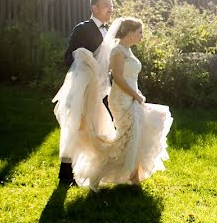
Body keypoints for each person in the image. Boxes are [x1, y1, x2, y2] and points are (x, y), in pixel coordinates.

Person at [53, 16, 172, 191]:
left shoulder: (128, 51)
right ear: (130, 33)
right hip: (121, 99)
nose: (141, 36)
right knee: (128, 136)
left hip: (132, 96)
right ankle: (102, 172)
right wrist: (135, 95)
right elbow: (118, 77)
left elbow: (130, 78)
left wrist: (137, 95)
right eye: (140, 32)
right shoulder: (117, 51)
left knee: (136, 134)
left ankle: (134, 175)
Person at [59, 0, 114, 186]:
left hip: (105, 90)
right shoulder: (83, 29)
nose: (110, 9)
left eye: (112, 5)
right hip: (84, 90)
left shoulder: (109, 31)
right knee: (76, 129)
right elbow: (69, 57)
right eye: (106, 5)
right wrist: (86, 62)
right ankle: (65, 176)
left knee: (105, 128)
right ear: (94, 8)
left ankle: (100, 172)